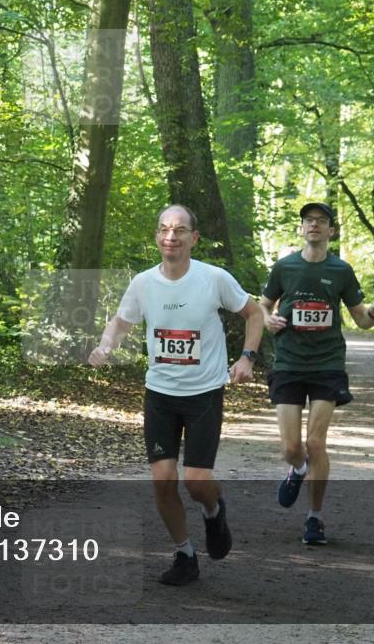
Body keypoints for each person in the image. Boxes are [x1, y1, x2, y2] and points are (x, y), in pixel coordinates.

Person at [89, 205, 264, 586]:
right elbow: (121, 321)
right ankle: (184, 554)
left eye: (180, 230)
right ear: (157, 237)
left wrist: (247, 358)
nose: (171, 236)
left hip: (203, 393)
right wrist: (105, 346)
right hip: (160, 394)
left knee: (196, 481)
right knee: (162, 480)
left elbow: (254, 314)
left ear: (193, 238)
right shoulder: (143, 283)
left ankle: (214, 510)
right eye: (165, 230)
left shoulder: (214, 278)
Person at [259, 202, 374, 545]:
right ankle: (297, 468)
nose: (314, 225)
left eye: (321, 221)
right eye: (309, 221)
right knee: (292, 448)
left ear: (331, 231)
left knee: (315, 443)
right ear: (301, 229)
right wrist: (267, 319)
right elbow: (263, 304)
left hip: (327, 363)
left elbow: (361, 318)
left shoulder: (341, 271)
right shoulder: (285, 267)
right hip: (289, 361)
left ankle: (314, 519)